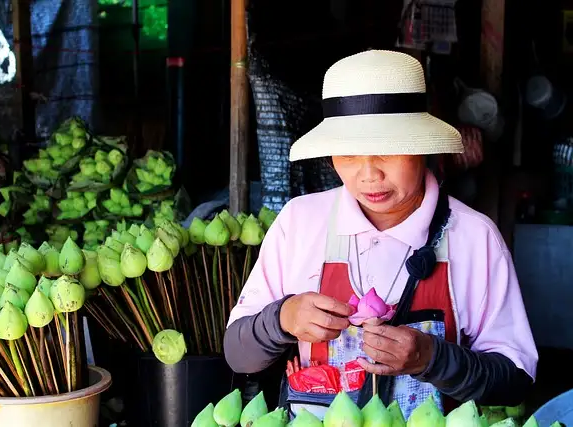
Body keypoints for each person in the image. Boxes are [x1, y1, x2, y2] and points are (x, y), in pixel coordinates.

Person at [223, 50, 538, 419]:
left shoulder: (473, 237)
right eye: (349, 154)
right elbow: (237, 352)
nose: (369, 174)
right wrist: (281, 319)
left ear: (421, 147)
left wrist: (432, 357)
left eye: (387, 151)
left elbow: (515, 379)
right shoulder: (300, 223)